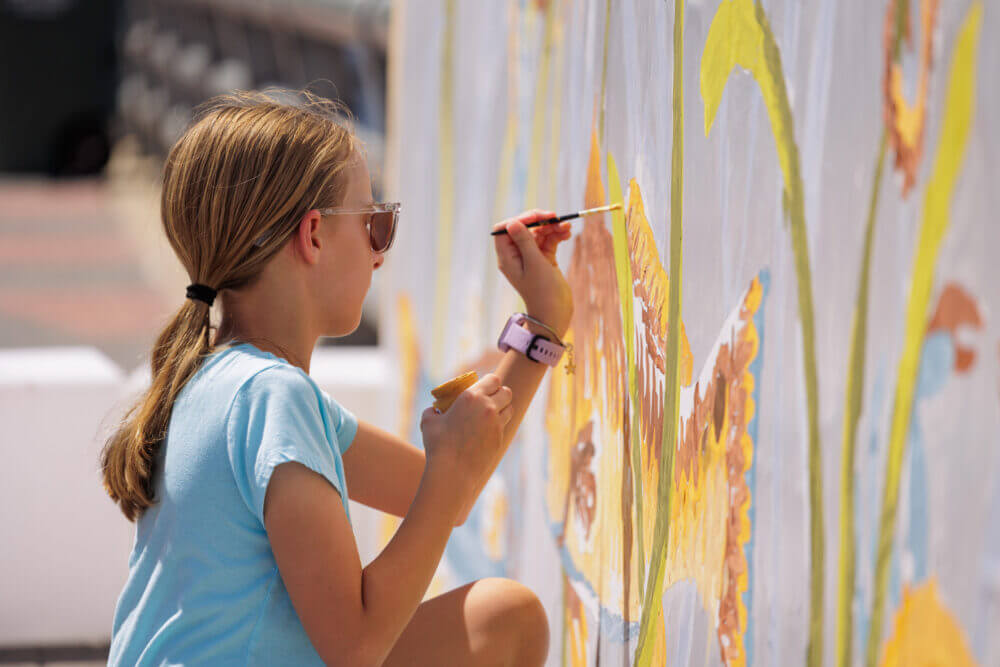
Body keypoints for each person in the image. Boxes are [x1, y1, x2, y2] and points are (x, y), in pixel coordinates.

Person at [101, 90, 574, 666]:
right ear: (315, 234)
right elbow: (353, 647)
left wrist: (541, 326)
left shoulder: (219, 379)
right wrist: (448, 469)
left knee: (503, 618)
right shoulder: (273, 397)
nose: (380, 256)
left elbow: (446, 497)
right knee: (508, 619)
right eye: (375, 223)